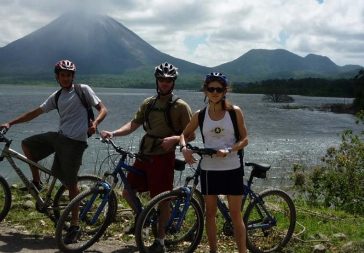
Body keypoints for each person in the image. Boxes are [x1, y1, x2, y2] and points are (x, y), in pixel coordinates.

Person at [0, 59, 108, 244]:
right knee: (27, 144)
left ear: (73, 76)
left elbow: (103, 109)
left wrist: (96, 123)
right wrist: (10, 122)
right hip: (59, 138)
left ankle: (74, 226)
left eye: (68, 75)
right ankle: (37, 182)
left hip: (75, 143)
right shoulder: (57, 96)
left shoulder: (83, 90)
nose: (65, 78)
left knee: (70, 183)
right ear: (57, 77)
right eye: (62, 75)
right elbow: (35, 112)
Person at [101, 62, 194, 253]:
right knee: (128, 192)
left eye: (168, 80)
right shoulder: (149, 103)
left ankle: (160, 240)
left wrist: (175, 139)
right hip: (145, 154)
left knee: (162, 199)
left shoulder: (181, 106)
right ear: (157, 81)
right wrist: (114, 133)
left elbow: (191, 134)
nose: (164, 83)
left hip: (163, 157)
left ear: (173, 82)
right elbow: (134, 124)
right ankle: (143, 218)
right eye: (161, 79)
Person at [180, 72, 248, 253]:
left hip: (232, 167)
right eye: (211, 89)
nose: (215, 92)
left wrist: (230, 149)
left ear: (225, 91)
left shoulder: (234, 112)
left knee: (235, 215)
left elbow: (245, 139)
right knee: (210, 214)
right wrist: (184, 149)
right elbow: (183, 135)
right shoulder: (200, 115)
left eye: (219, 89)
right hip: (209, 169)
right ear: (205, 91)